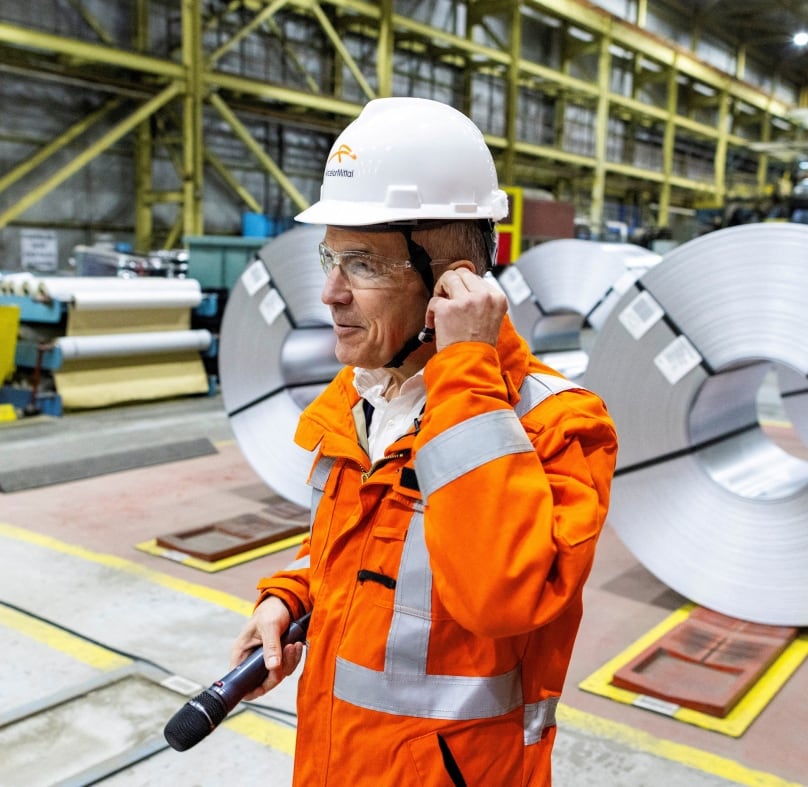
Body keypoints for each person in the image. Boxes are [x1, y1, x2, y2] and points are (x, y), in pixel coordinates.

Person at [230, 96, 618, 785]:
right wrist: (288, 596)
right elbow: (354, 544)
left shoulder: (556, 426)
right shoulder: (362, 397)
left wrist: (467, 374)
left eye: (364, 265)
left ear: (453, 282)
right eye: (330, 257)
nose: (329, 292)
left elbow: (499, 596)